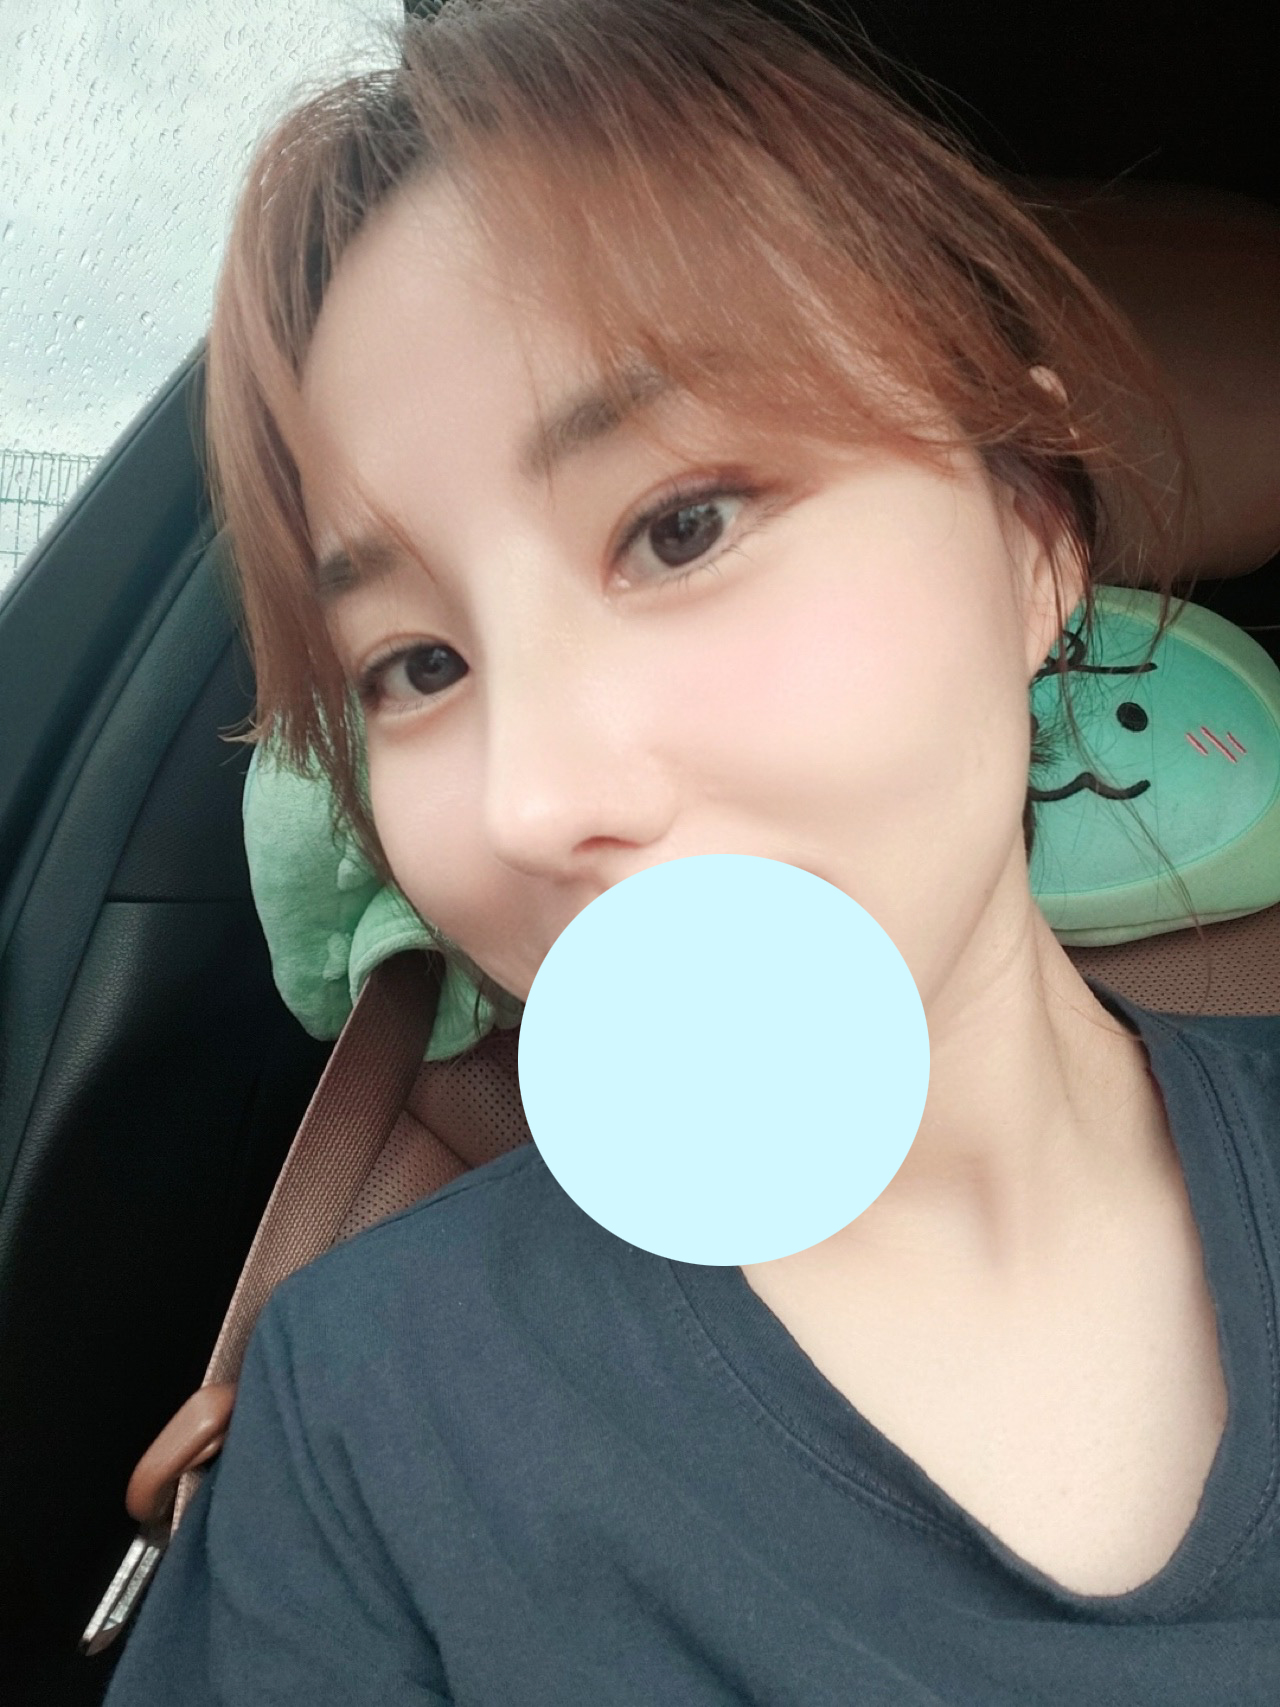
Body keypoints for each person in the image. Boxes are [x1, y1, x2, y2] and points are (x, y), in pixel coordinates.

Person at [102, 1, 1280, 1701]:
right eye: (416, 667)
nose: (528, 803)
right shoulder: (366, 1425)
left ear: (1032, 535)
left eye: (682, 526)